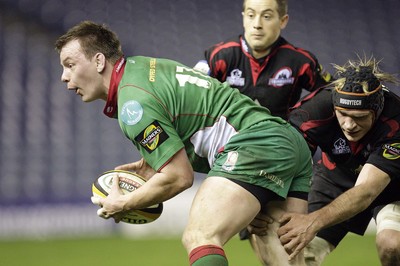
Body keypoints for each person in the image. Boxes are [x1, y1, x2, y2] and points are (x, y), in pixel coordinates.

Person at [55, 20, 313, 266]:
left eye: (70, 65)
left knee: (199, 236)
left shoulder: (132, 104)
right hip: (288, 142)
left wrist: (123, 204)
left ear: (99, 61)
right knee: (284, 256)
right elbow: (191, 118)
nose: (65, 78)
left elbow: (179, 177)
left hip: (256, 144)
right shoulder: (143, 67)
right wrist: (154, 165)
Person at [276, 56, 400, 266]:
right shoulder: (316, 109)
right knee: (295, 253)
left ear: (376, 111)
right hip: (334, 177)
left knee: (392, 245)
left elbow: (367, 190)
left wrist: (313, 221)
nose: (349, 124)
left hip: (390, 187)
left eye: (359, 117)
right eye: (343, 114)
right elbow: (282, 159)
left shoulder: (396, 121)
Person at [194, 0, 331, 120]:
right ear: (243, 18)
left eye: (266, 16)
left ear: (283, 21)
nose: (257, 24)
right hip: (228, 143)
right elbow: (192, 99)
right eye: (251, 15)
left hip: (280, 142)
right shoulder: (219, 56)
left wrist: (302, 121)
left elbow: (332, 95)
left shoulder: (301, 62)